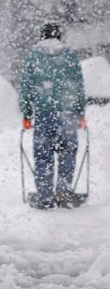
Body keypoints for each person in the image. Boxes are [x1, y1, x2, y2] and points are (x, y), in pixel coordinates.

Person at [19, 22, 87, 209]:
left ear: (42, 36)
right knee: (67, 154)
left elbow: (26, 86)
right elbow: (78, 86)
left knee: (43, 156)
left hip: (44, 114)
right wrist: (80, 112)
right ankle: (64, 194)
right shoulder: (70, 55)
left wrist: (26, 113)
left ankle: (45, 197)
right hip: (67, 114)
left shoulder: (34, 57)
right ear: (59, 36)